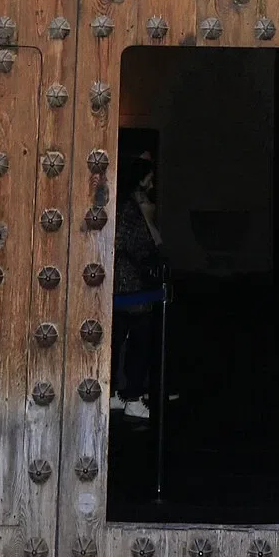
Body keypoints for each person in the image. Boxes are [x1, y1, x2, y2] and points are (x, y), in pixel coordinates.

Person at [111, 153, 164, 422]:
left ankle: (115, 394)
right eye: (149, 179)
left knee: (118, 339)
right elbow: (140, 243)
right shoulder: (131, 210)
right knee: (140, 342)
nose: (152, 185)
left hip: (124, 286)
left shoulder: (127, 207)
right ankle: (132, 397)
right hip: (132, 287)